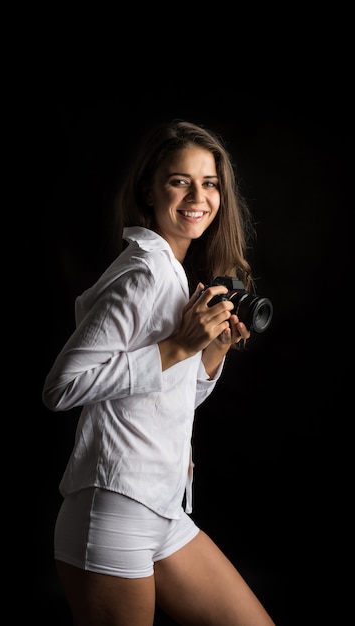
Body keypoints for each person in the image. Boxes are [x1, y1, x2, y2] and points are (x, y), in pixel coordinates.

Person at [42, 119, 276, 626]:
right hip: (112, 514)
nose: (198, 196)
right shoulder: (144, 273)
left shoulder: (173, 274)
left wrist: (209, 353)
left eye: (209, 183)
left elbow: (156, 399)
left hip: (163, 510)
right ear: (149, 190)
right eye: (179, 180)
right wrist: (176, 346)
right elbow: (61, 388)